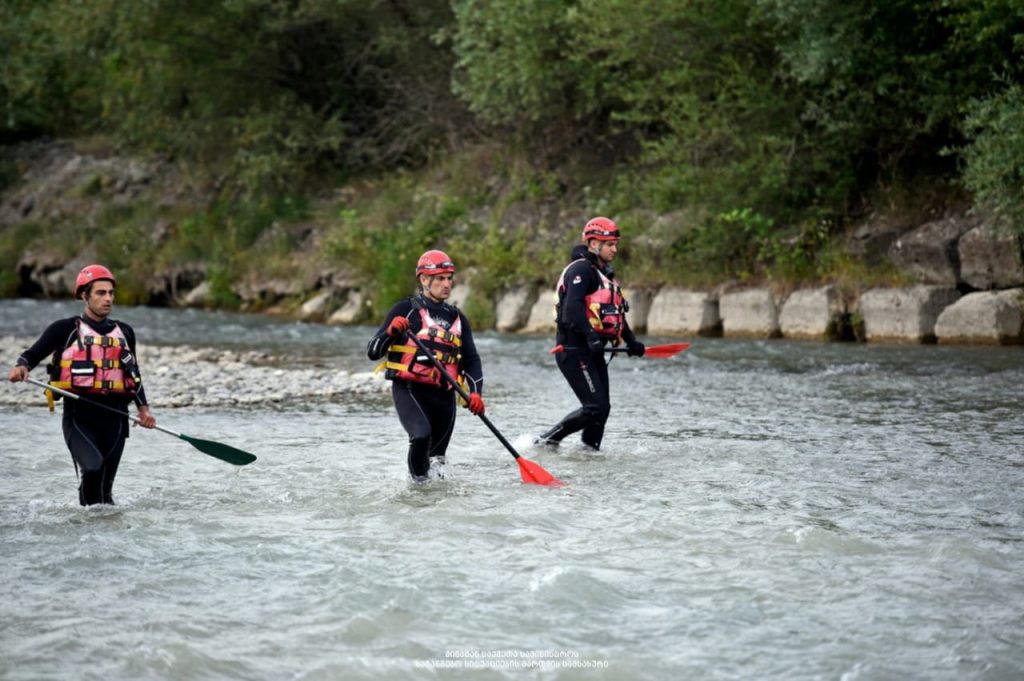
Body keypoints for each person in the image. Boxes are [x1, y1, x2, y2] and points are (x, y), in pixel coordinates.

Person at [8, 264, 157, 505]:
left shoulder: (125, 332)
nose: (108, 298)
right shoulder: (64, 329)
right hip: (79, 417)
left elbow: (134, 374)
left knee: (106, 496)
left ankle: (100, 537)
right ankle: (84, 528)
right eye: (100, 293)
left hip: (116, 417)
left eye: (110, 293)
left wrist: (144, 409)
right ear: (84, 296)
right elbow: (31, 356)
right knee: (94, 468)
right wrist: (21, 366)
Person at [366, 249, 485, 482]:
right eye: (440, 278)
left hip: (445, 397)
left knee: (437, 461)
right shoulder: (405, 310)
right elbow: (373, 352)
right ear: (424, 280)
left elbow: (471, 360)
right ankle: (417, 491)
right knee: (421, 437)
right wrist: (391, 333)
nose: (447, 284)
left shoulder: (458, 318)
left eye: (449, 278)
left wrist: (477, 394)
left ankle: (432, 509)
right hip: (410, 390)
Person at [536, 217, 645, 450]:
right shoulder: (581, 270)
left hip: (593, 351)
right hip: (573, 351)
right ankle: (546, 441)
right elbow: (572, 310)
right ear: (594, 243)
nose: (615, 249)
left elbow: (615, 313)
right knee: (594, 407)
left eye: (616, 244)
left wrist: (632, 341)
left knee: (603, 409)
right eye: (610, 244)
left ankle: (589, 452)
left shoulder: (604, 274)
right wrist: (591, 336)